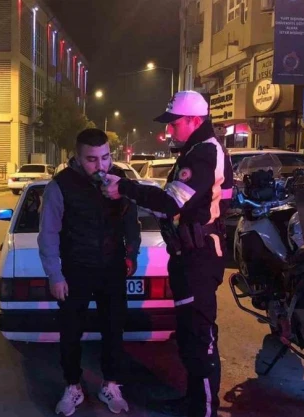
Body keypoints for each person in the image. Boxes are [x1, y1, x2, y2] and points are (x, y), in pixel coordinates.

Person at [101, 90, 233, 417]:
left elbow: (170, 203)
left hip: (198, 257)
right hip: (191, 254)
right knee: (189, 335)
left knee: (199, 337)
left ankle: (203, 410)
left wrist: (125, 187)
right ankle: (193, 401)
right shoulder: (198, 150)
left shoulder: (203, 153)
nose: (169, 130)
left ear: (195, 120)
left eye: (174, 123)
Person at [38, 128, 141, 416]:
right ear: (78, 157)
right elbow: (48, 233)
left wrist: (131, 255)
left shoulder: (121, 180)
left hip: (112, 268)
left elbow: (132, 224)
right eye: (92, 159)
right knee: (71, 331)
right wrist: (55, 275)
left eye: (105, 157)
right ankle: (73, 386)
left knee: (114, 328)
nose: (101, 165)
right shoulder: (60, 186)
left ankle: (111, 384)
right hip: (75, 269)